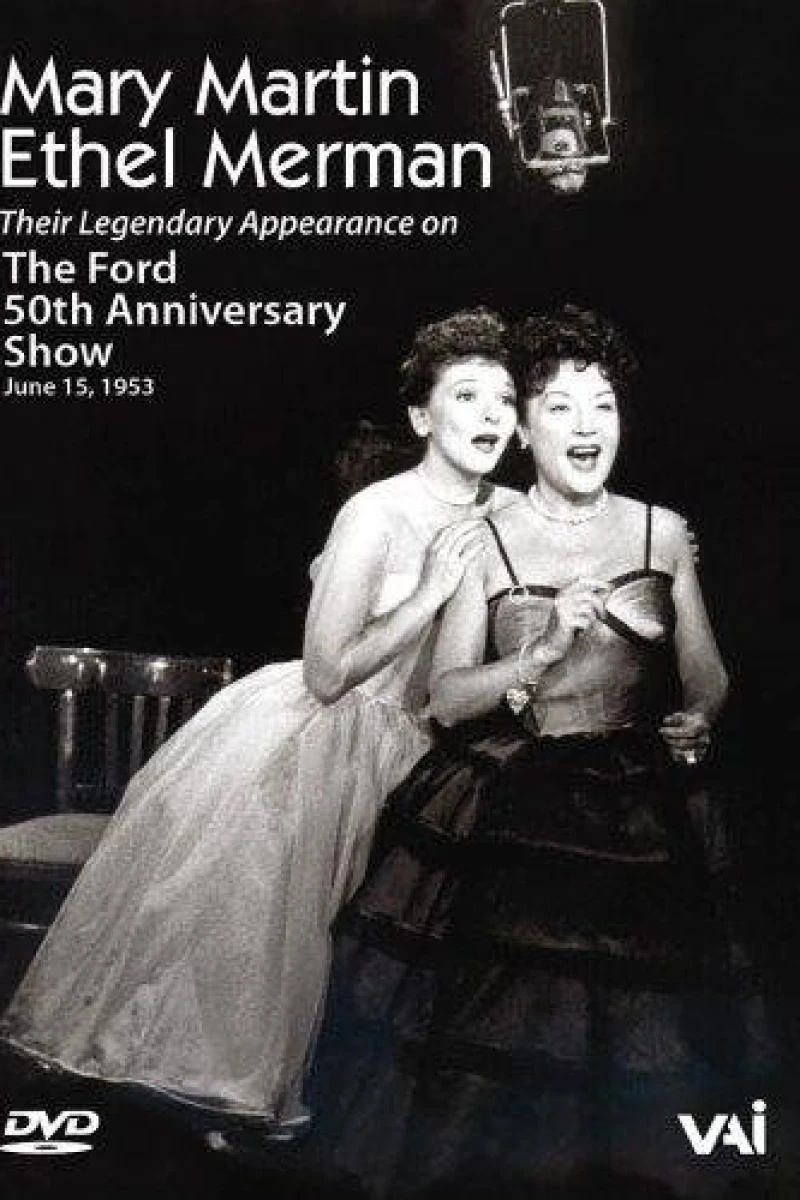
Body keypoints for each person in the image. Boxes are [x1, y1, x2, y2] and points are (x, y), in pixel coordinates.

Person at [0, 308, 521, 1142]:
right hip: (332, 733)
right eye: (467, 396)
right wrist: (426, 594)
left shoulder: (514, 512)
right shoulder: (377, 513)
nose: (492, 414)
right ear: (423, 417)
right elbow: (326, 672)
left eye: (505, 399)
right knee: (278, 927)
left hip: (438, 740)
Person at [312, 306, 773, 1197]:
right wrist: (539, 652)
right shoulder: (483, 539)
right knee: (509, 1044)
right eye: (561, 407)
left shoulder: (664, 531)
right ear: (524, 430)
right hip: (517, 805)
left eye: (603, 406)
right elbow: (448, 698)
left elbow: (707, 673)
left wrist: (701, 715)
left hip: (644, 807)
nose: (587, 426)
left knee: (653, 1043)